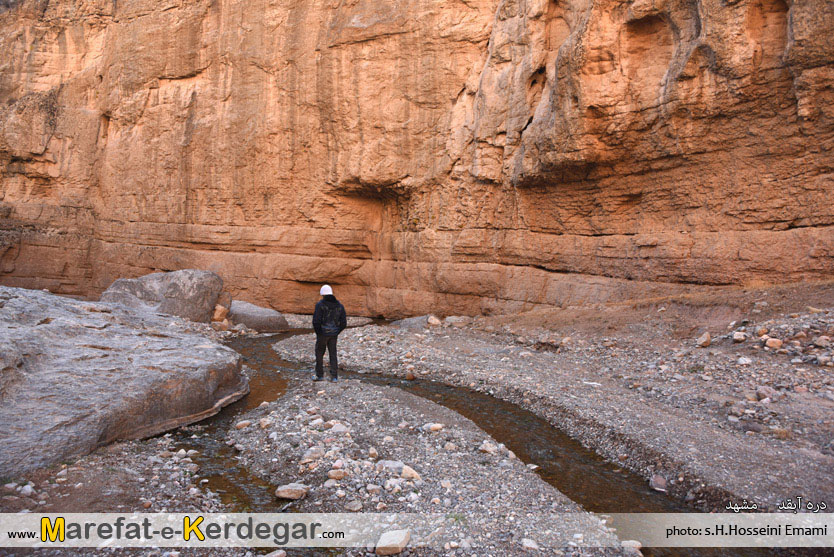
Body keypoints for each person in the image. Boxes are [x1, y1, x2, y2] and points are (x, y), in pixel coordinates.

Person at [312, 284, 347, 382]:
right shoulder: (340, 306)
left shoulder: (320, 305)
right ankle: (334, 377)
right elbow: (343, 323)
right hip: (333, 334)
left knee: (319, 354)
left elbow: (316, 321)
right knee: (333, 354)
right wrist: (336, 331)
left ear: (323, 294)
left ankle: (320, 375)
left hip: (323, 334)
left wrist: (319, 333)